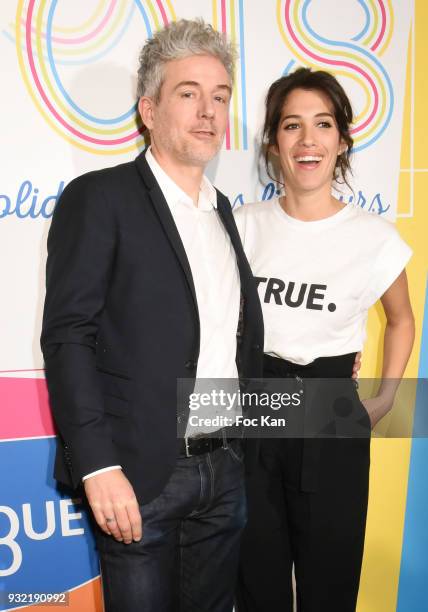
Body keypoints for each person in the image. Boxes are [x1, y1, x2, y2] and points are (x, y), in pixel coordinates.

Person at [40, 19, 264, 612]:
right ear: (148, 109)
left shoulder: (223, 213)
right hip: (140, 476)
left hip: (224, 468)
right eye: (188, 93)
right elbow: (68, 338)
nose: (208, 111)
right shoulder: (100, 197)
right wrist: (97, 467)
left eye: (220, 97)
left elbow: (225, 337)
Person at [234, 68, 415, 612]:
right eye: (292, 126)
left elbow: (402, 319)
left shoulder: (375, 239)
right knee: (256, 578)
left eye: (323, 125)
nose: (308, 140)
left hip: (331, 407)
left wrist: (384, 397)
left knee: (330, 582)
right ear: (274, 143)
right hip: (254, 406)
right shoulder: (241, 225)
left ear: (341, 140)